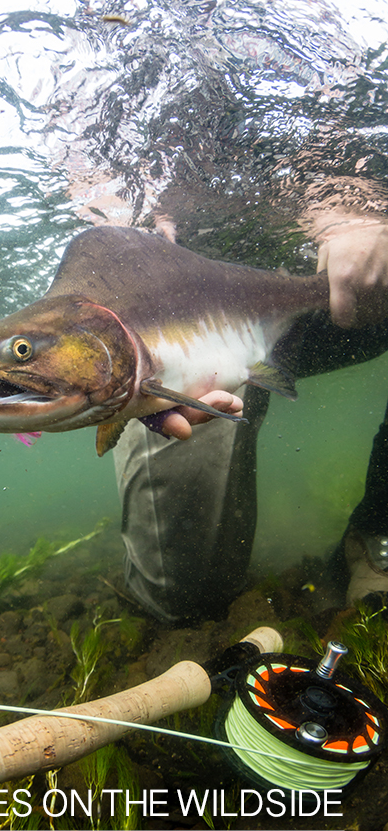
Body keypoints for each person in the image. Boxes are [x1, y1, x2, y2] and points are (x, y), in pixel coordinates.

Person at [112, 213, 388, 622]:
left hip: (355, 289)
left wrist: (356, 217)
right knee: (179, 591)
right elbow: (95, 186)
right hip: (193, 305)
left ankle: (378, 525)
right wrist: (132, 233)